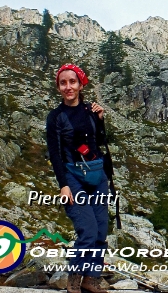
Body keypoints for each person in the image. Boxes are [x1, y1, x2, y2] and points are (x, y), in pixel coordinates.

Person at [45, 64, 114, 293]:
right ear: (58, 87)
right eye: (63, 83)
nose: (68, 87)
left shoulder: (90, 110)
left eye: (72, 82)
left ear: (80, 83)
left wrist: (101, 119)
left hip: (98, 175)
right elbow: (55, 154)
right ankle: (75, 277)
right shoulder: (55, 117)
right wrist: (64, 186)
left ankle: (91, 278)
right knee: (87, 228)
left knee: (101, 229)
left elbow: (99, 140)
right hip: (73, 176)